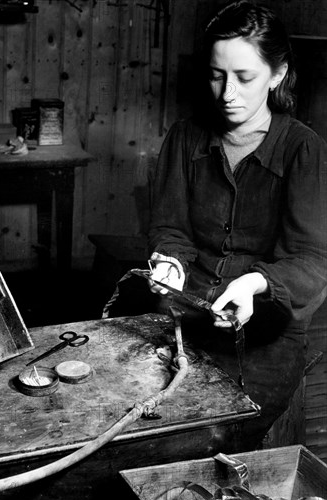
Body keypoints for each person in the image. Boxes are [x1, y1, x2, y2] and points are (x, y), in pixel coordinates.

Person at [147, 0, 327, 450]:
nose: (228, 92)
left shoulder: (304, 151)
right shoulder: (185, 137)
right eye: (216, 74)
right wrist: (170, 262)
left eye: (245, 77)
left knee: (209, 440)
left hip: (271, 334)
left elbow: (314, 260)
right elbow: (170, 228)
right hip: (188, 313)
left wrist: (254, 283)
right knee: (144, 426)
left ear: (278, 73)